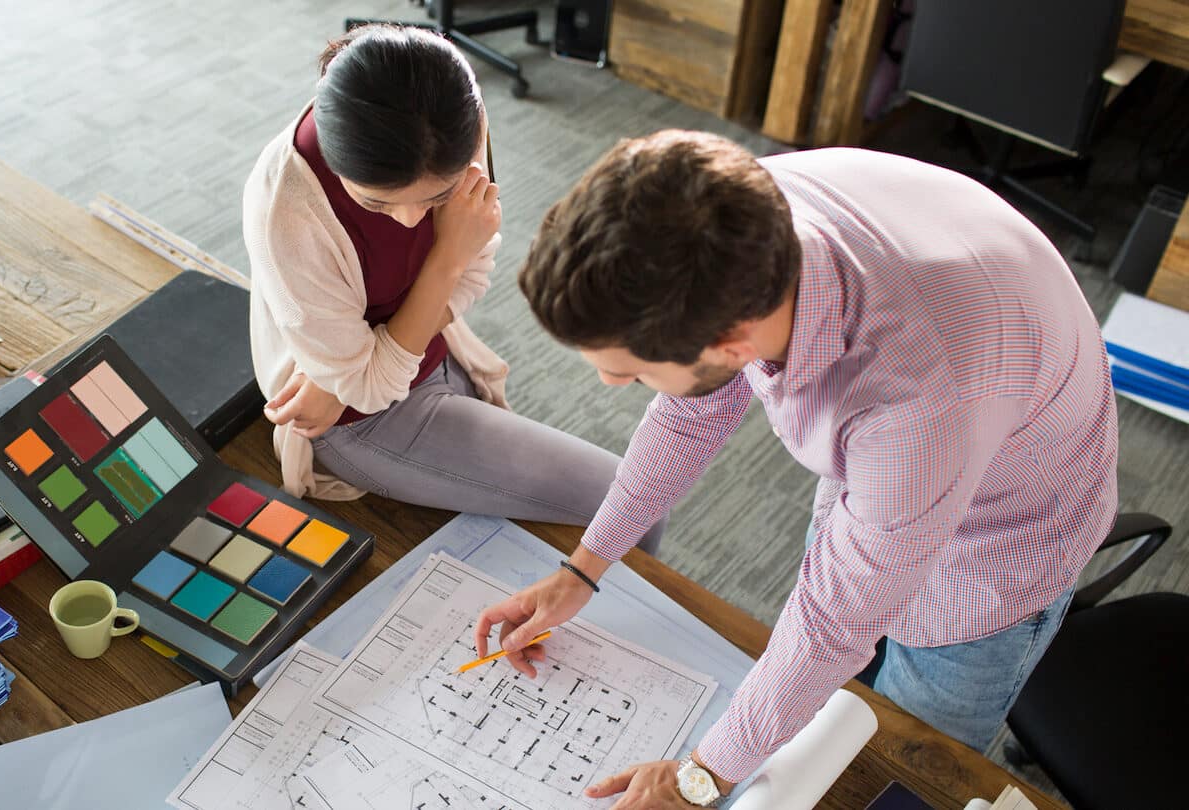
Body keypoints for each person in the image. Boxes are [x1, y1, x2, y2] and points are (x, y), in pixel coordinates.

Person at [474, 130, 1118, 807]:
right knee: (820, 683)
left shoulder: (911, 404)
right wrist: (585, 566)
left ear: (733, 342)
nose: (608, 384)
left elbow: (833, 623)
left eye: (629, 370)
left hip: (997, 545)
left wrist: (697, 779)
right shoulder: (729, 217)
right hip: (926, 427)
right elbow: (693, 409)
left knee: (895, 767)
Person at [245, 25, 663, 550]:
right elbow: (370, 389)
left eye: (436, 196)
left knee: (639, 507)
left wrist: (351, 368)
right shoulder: (288, 209)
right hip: (362, 422)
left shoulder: (455, 115)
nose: (408, 220)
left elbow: (475, 272)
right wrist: (444, 256)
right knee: (634, 509)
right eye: (377, 203)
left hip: (432, 365)